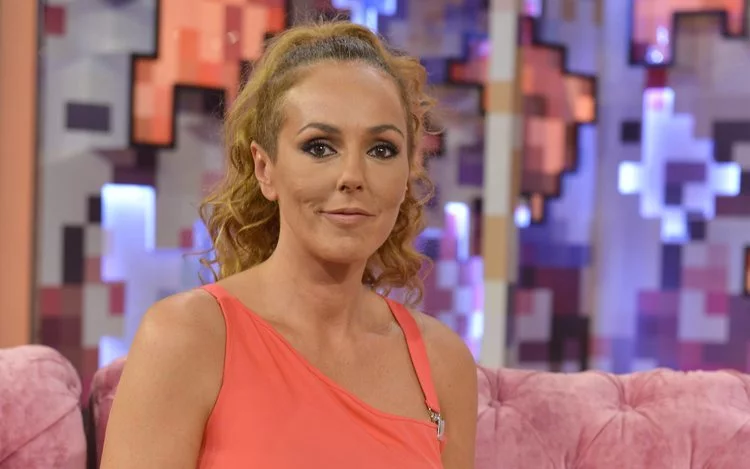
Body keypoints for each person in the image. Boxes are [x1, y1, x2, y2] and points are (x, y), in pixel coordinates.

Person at [101, 19, 477, 469]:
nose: (352, 176)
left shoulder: (443, 361)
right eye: (319, 147)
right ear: (265, 169)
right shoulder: (185, 337)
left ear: (409, 171)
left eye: (381, 149)